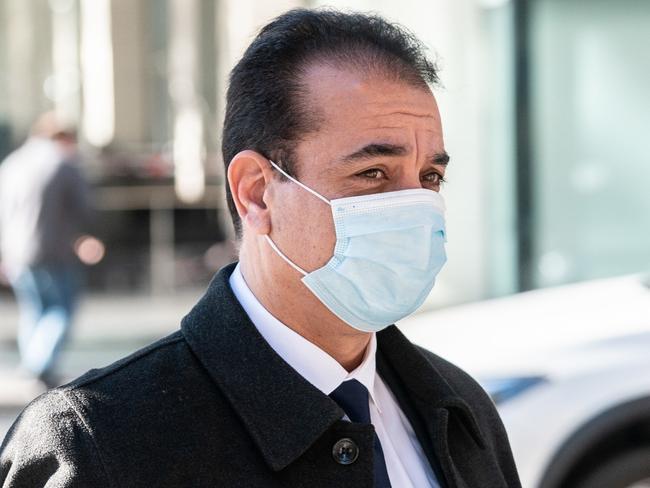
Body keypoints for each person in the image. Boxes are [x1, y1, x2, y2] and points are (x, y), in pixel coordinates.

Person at [0, 9, 521, 487]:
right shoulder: (97, 442)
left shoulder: (460, 408)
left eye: (430, 177)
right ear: (256, 192)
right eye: (372, 173)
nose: (414, 206)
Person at [0, 113, 92, 389]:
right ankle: (40, 366)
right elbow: (84, 207)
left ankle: (32, 363)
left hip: (16, 253)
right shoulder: (62, 163)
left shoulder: (13, 163)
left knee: (34, 310)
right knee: (59, 310)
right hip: (52, 250)